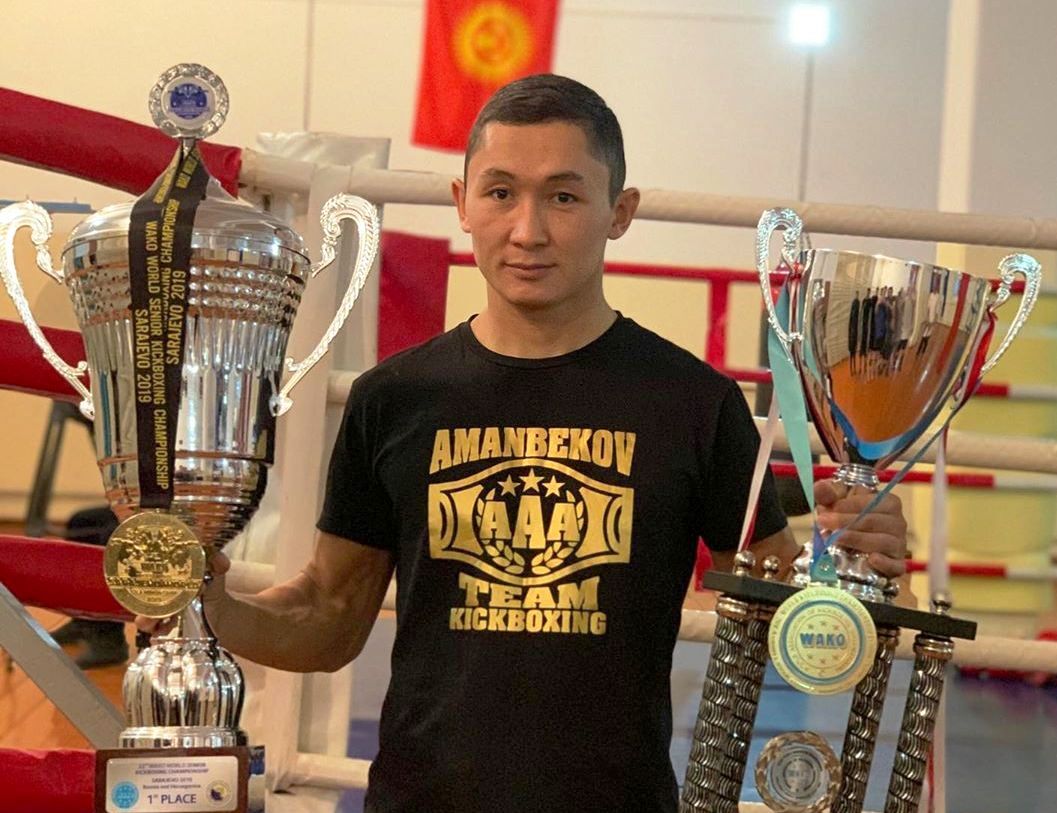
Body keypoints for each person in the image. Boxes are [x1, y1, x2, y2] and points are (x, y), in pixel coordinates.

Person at [142, 74, 908, 812]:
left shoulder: (693, 402)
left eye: (564, 196)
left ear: (619, 211)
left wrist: (852, 568)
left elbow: (780, 617)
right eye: (500, 192)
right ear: (462, 203)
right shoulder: (392, 397)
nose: (527, 230)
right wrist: (205, 604)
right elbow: (328, 613)